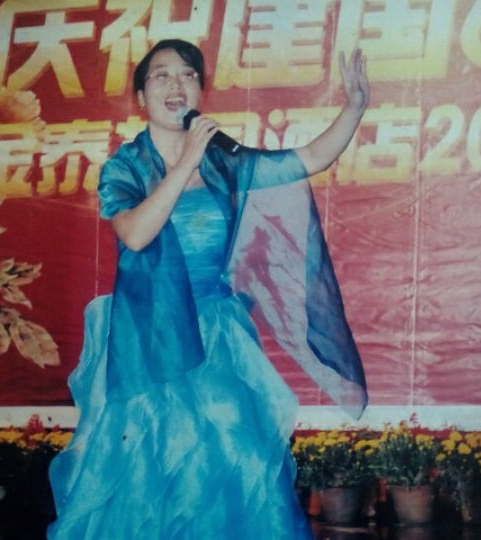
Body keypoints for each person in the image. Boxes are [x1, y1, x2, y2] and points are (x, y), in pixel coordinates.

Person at [48, 39, 369, 539]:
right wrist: (184, 163)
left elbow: (307, 159)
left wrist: (355, 108)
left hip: (217, 335)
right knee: (151, 473)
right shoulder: (125, 166)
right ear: (141, 96)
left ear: (200, 89)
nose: (176, 84)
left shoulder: (223, 161)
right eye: (161, 75)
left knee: (240, 457)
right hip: (151, 337)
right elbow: (136, 234)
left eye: (188, 74)